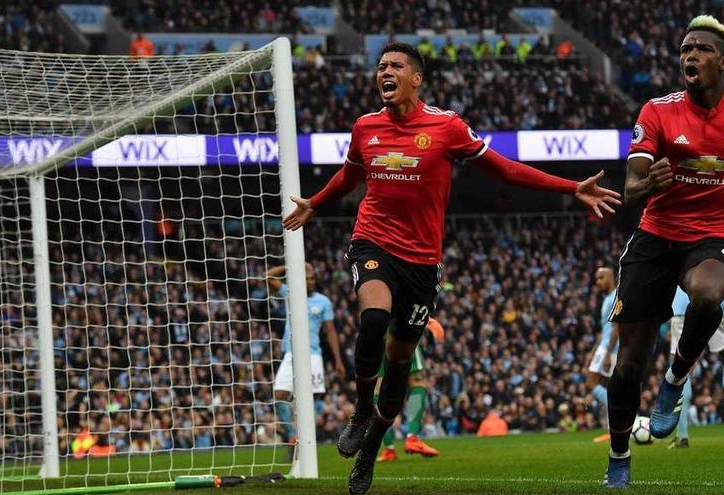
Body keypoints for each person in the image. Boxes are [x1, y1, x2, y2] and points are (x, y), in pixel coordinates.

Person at [283, 42, 620, 495]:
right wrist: (315, 206)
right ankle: (362, 408)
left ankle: (370, 451)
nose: (385, 71)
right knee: (374, 318)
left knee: (401, 362)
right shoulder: (365, 127)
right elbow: (350, 176)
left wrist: (570, 186)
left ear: (415, 78)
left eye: (395, 66)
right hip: (374, 240)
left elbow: (504, 169)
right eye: (381, 66)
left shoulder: (446, 127)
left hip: (422, 261)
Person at [604, 15, 724, 488]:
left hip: (712, 235)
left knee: (705, 296)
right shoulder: (657, 111)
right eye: (684, 50)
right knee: (628, 362)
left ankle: (676, 379)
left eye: (700, 49)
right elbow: (632, 185)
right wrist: (647, 182)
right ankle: (619, 456)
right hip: (656, 235)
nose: (689, 56)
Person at [668, 272, 724, 448]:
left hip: (681, 308)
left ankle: (682, 435)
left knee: (680, 369)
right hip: (716, 304)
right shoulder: (722, 242)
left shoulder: (680, 242)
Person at [266, 263, 346, 460]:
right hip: (291, 353)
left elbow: (330, 331)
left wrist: (338, 360)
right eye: (306, 279)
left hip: (313, 355)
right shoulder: (290, 293)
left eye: (312, 279)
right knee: (279, 395)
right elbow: (267, 277)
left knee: (310, 400)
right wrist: (290, 265)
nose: (310, 282)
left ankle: (308, 442)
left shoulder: (323, 302)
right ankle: (294, 438)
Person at [376, 318, 445, 462]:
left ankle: (389, 449)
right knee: (418, 381)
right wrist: (426, 319)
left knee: (377, 392)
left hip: (376, 332)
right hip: (401, 328)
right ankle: (412, 437)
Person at [586, 267, 618, 443]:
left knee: (591, 381)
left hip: (610, 348)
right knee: (607, 387)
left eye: (601, 278)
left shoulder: (616, 296)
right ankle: (613, 429)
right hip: (604, 346)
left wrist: (607, 353)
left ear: (610, 277)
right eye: (596, 278)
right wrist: (592, 352)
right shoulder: (606, 299)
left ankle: (617, 419)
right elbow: (603, 329)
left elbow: (617, 327)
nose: (597, 282)